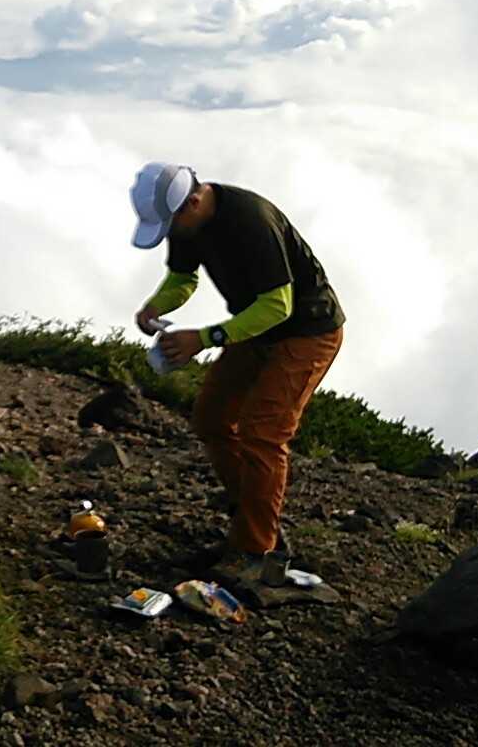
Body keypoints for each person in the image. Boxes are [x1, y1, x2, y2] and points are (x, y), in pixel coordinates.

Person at [129, 162, 345, 587]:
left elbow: (278, 306)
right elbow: (183, 278)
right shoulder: (186, 221)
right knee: (212, 418)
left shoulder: (251, 221)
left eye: (172, 224)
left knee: (263, 433)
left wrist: (204, 338)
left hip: (307, 331)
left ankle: (255, 552)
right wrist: (156, 306)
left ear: (194, 201)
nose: (172, 233)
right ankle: (251, 519)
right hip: (257, 327)